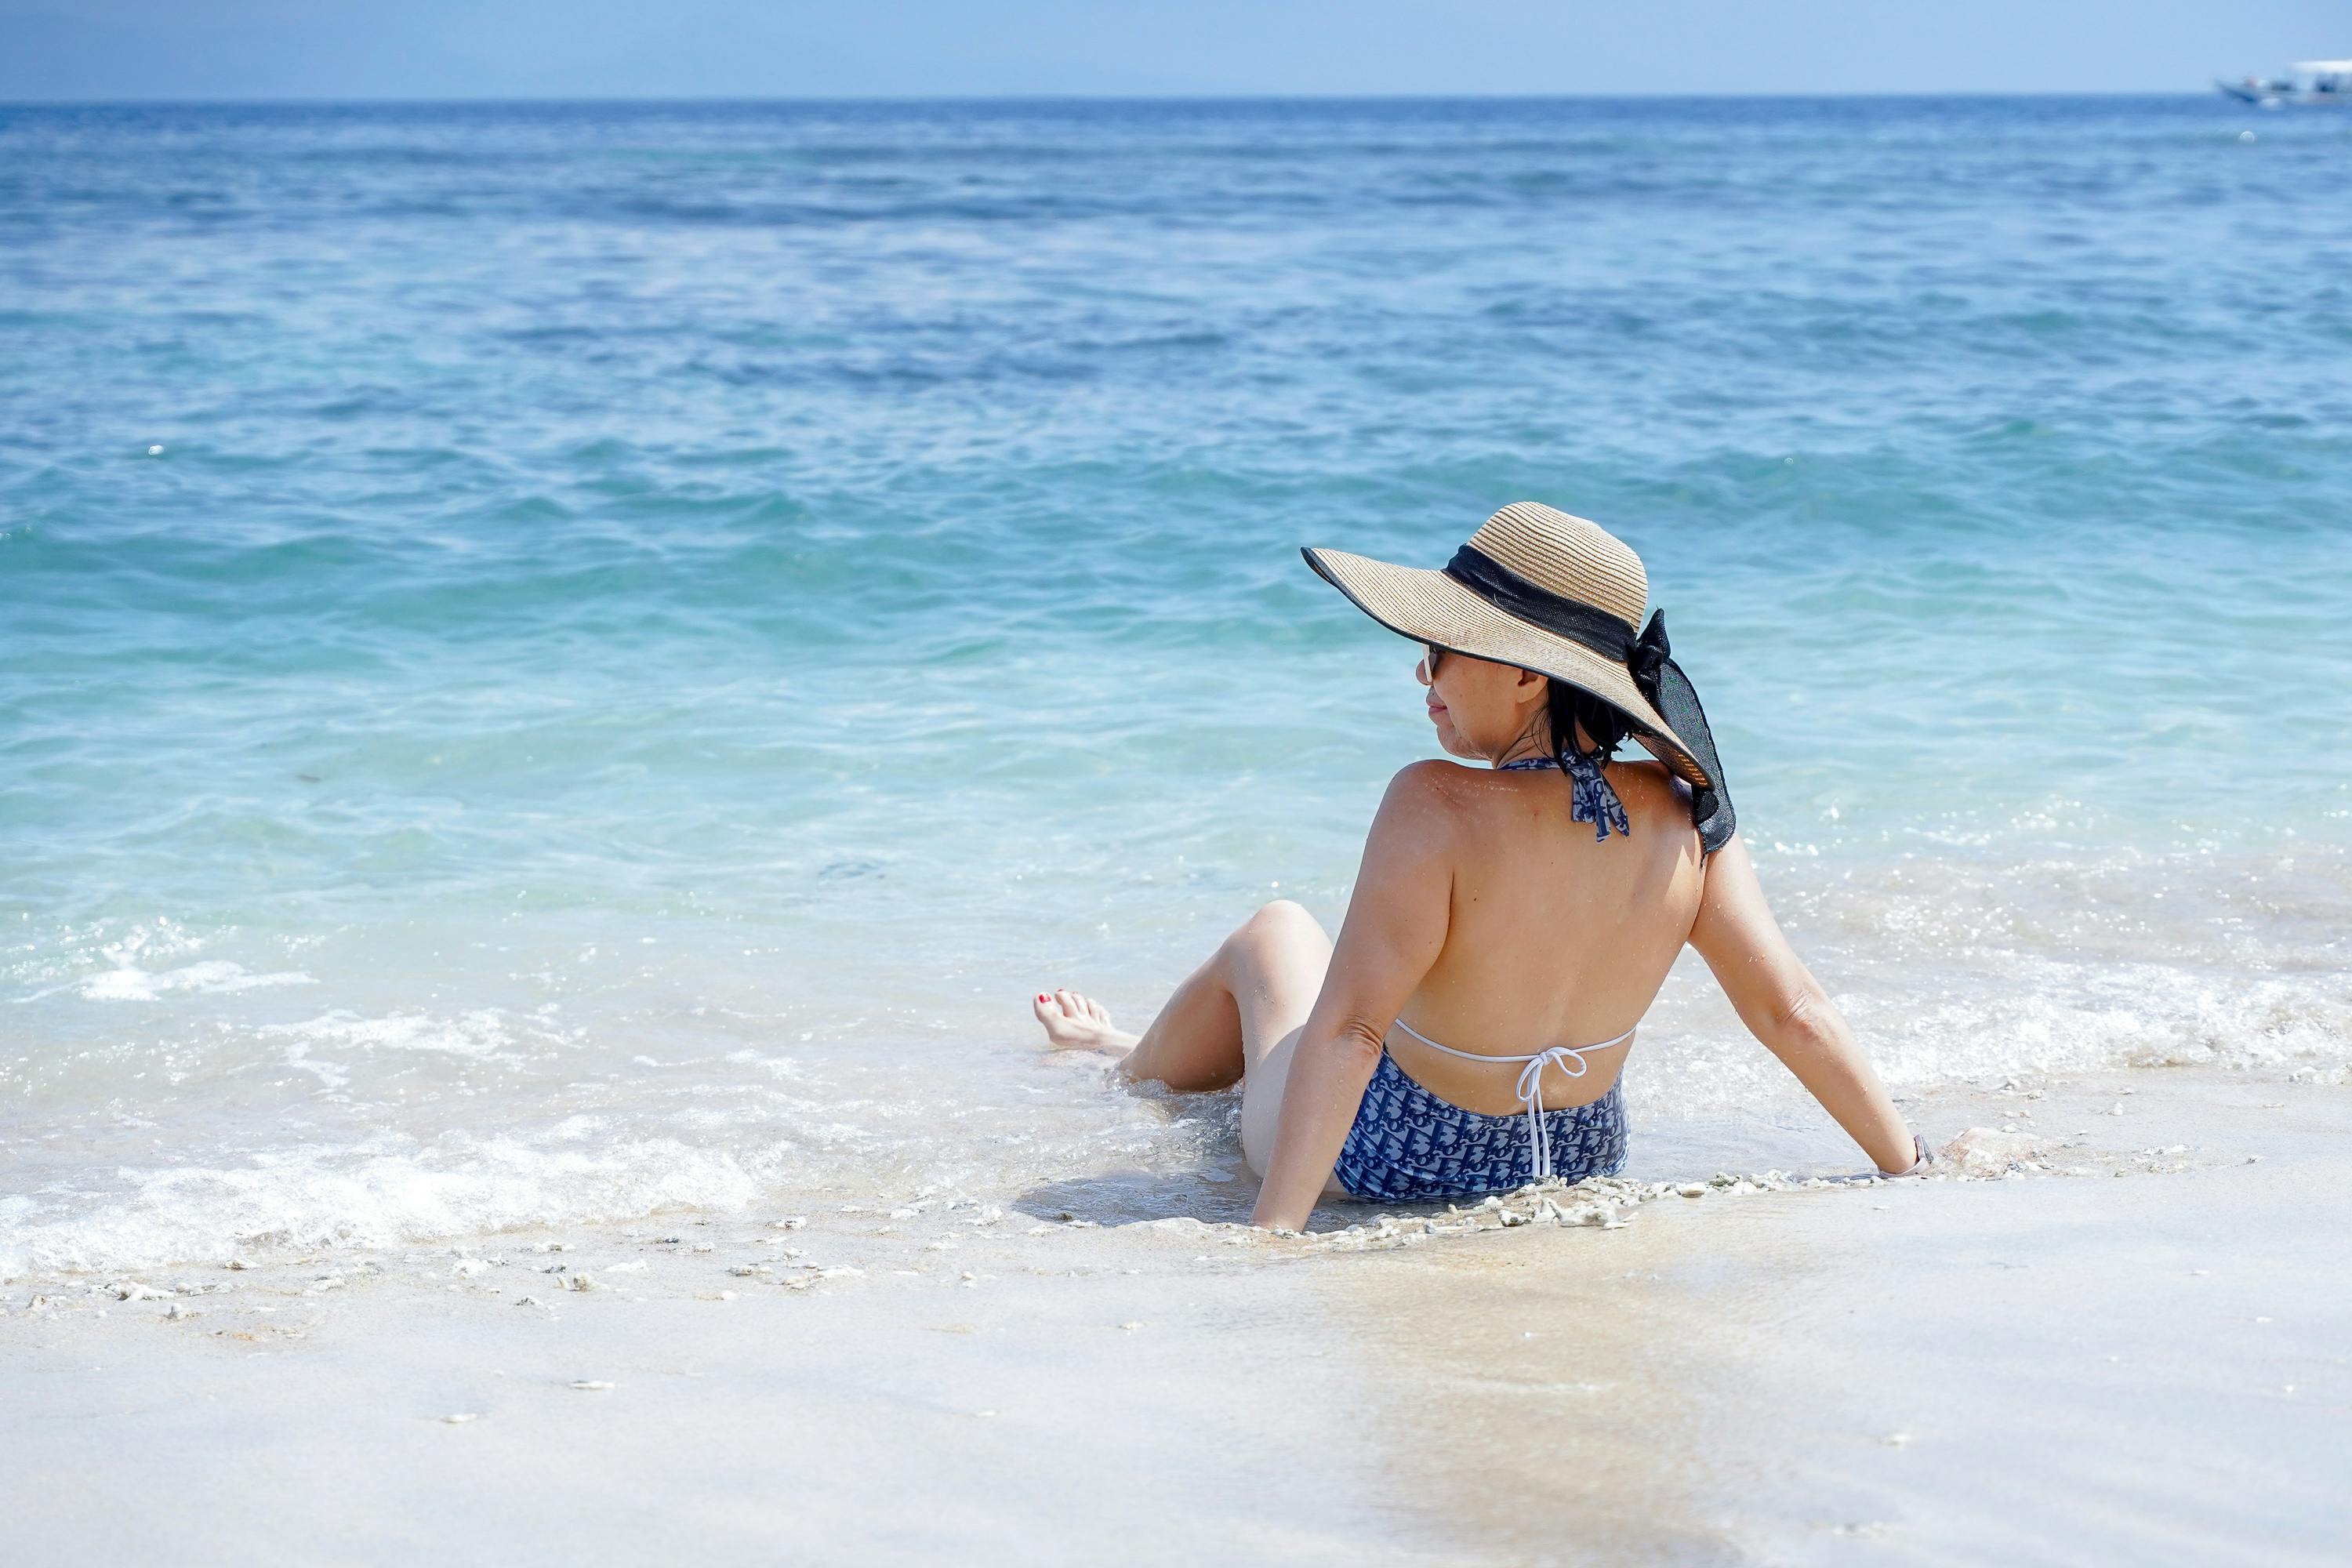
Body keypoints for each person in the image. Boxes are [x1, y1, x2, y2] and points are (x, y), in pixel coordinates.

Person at [1033, 502, 1928, 1232]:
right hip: (1575, 1155)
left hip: (1389, 1157)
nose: (1422, 676)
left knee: (1275, 933)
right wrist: (1909, 1163)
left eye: (1440, 650)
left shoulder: (1434, 804)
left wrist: (1273, 1238)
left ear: (1527, 674)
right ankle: (1124, 1054)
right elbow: (1792, 1009)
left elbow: (1350, 1035)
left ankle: (1125, 1066)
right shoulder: (1682, 810)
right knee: (1300, 987)